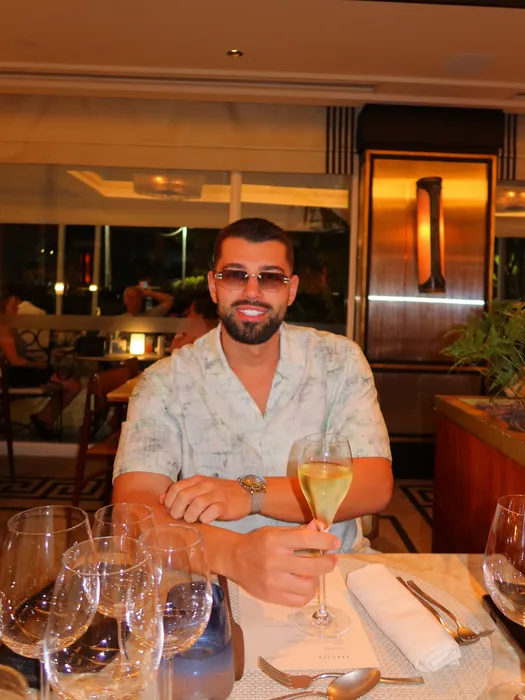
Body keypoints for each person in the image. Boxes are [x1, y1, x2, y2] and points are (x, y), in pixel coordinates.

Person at [113, 217, 392, 606]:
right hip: (210, 581)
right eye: (235, 275)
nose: (252, 292)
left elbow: (374, 484)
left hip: (333, 576)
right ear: (214, 285)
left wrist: (249, 492)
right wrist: (235, 555)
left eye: (270, 278)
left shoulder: (338, 361)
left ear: (291, 290)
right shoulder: (165, 382)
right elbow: (131, 513)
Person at [0, 286, 82, 439]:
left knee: (71, 381)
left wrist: (35, 361)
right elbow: (15, 361)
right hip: (14, 374)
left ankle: (44, 418)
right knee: (73, 385)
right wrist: (36, 365)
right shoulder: (3, 327)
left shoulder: (8, 326)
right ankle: (44, 419)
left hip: (19, 371)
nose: (17, 308)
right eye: (14, 304)